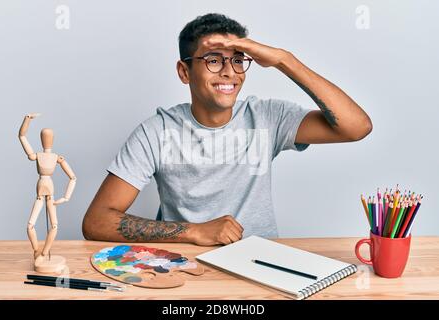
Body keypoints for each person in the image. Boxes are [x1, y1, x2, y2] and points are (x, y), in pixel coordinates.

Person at [82, 13, 372, 246]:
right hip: (186, 267)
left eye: (237, 59)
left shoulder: (267, 117)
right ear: (185, 72)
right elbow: (96, 221)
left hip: (260, 264)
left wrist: (285, 60)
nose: (229, 71)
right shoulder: (156, 132)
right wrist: (195, 232)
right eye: (213, 59)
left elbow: (356, 127)